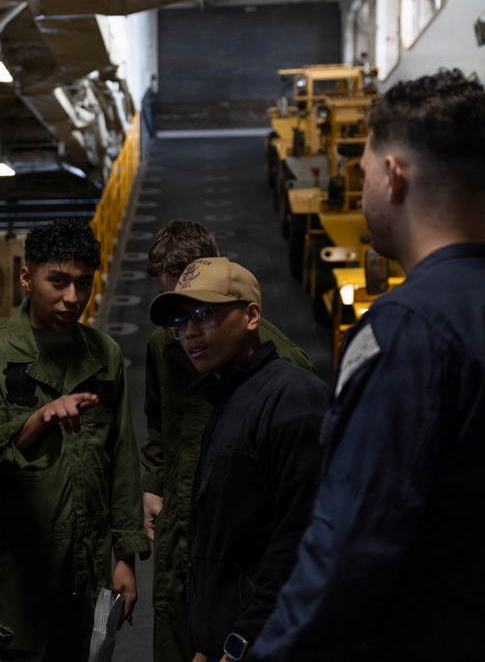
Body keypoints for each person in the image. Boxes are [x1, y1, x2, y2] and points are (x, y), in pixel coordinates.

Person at [252, 68, 485, 661]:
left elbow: (349, 546)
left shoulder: (406, 330)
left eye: (364, 170)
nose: (361, 188)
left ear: (392, 176)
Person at [0, 218, 150, 661]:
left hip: (92, 570)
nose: (72, 298)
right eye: (57, 281)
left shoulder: (104, 355)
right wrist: (36, 420)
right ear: (26, 277)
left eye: (83, 283)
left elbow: (120, 459)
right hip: (20, 576)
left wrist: (125, 557)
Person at [140, 220, 315, 662]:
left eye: (202, 312)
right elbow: (159, 426)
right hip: (184, 535)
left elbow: (298, 532)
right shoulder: (168, 347)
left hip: (244, 567)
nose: (187, 334)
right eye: (178, 317)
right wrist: (152, 484)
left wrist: (239, 639)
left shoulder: (288, 383)